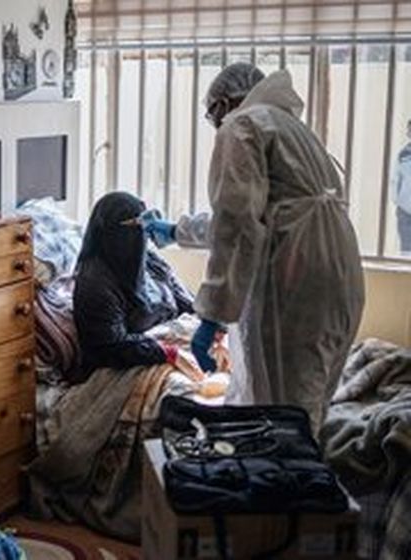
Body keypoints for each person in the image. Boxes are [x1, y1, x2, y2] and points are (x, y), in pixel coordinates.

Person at [144, 63, 364, 431]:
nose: (213, 123)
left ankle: (288, 484)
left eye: (211, 113)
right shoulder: (289, 127)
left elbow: (239, 226)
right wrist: (177, 230)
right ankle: (306, 478)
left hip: (296, 280)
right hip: (340, 277)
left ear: (225, 103)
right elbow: (259, 213)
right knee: (311, 402)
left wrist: (212, 314)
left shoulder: (241, 125)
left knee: (281, 413)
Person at [72, 192, 204, 382]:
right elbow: (109, 347)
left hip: (173, 343)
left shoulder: (150, 262)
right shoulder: (95, 284)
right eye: (134, 227)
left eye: (144, 225)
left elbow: (186, 303)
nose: (141, 235)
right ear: (109, 232)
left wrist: (210, 327)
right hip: (128, 364)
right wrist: (168, 353)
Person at [392, 119, 411, 254]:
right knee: (407, 251)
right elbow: (395, 179)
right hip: (405, 209)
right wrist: (397, 200)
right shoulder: (404, 154)